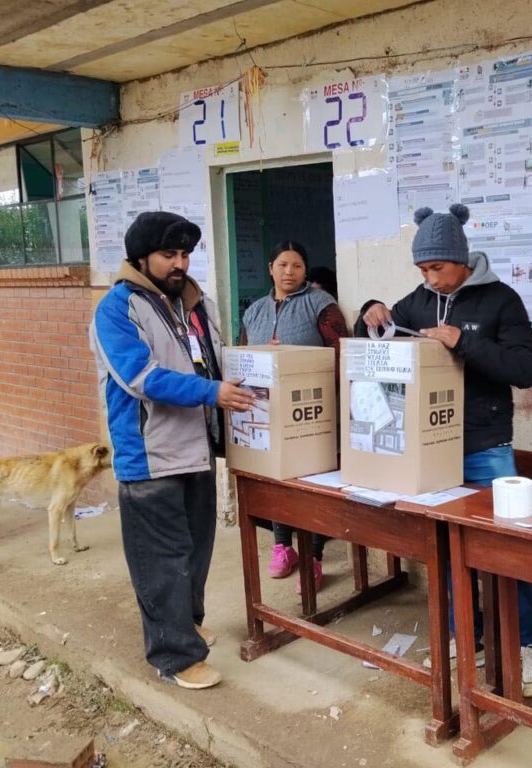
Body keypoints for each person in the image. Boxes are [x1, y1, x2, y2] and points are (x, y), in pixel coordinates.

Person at [360, 204, 532, 697]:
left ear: (461, 259)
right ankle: (465, 631)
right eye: (422, 271)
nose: (431, 279)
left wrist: (462, 342)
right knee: (445, 548)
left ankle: (531, 645)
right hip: (431, 448)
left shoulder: (500, 300)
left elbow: (526, 370)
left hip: (486, 445)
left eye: (437, 269)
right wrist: (373, 308)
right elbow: (385, 330)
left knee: (508, 549)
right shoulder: (421, 300)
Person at [90, 211, 255, 690]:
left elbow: (215, 359)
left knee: (197, 550)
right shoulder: (118, 308)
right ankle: (174, 655)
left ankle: (187, 624)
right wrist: (212, 394)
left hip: (196, 449)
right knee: (161, 558)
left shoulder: (193, 304)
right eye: (169, 254)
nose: (180, 263)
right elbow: (139, 378)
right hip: (149, 456)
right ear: (141, 257)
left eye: (185, 254)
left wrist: (260, 359)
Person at [240, 241, 348, 590]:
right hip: (266, 413)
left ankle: (314, 557)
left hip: (312, 412)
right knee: (276, 482)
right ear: (271, 267)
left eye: (297, 266)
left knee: (312, 484)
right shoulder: (254, 311)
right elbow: (241, 355)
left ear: (305, 271)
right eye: (283, 264)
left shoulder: (322, 305)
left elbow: (340, 355)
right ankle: (283, 547)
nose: (289, 272)